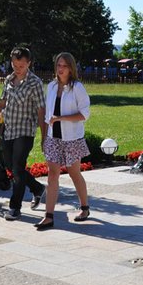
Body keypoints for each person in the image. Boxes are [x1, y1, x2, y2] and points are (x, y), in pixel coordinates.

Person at [0, 46, 47, 221]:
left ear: (28, 63)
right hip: (8, 129)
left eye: (21, 66)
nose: (17, 69)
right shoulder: (8, 79)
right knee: (12, 168)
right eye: (14, 65)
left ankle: (15, 208)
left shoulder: (35, 83)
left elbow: (41, 111)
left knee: (17, 168)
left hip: (25, 131)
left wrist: (44, 137)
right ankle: (37, 188)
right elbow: (1, 104)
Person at [38, 52, 92, 231]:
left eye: (64, 66)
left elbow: (84, 114)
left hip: (72, 138)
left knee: (74, 172)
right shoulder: (52, 86)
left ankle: (84, 207)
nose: (60, 69)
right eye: (58, 65)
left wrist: (61, 118)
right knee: (52, 174)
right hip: (54, 138)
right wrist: (44, 136)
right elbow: (47, 116)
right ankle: (48, 216)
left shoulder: (77, 87)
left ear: (71, 68)